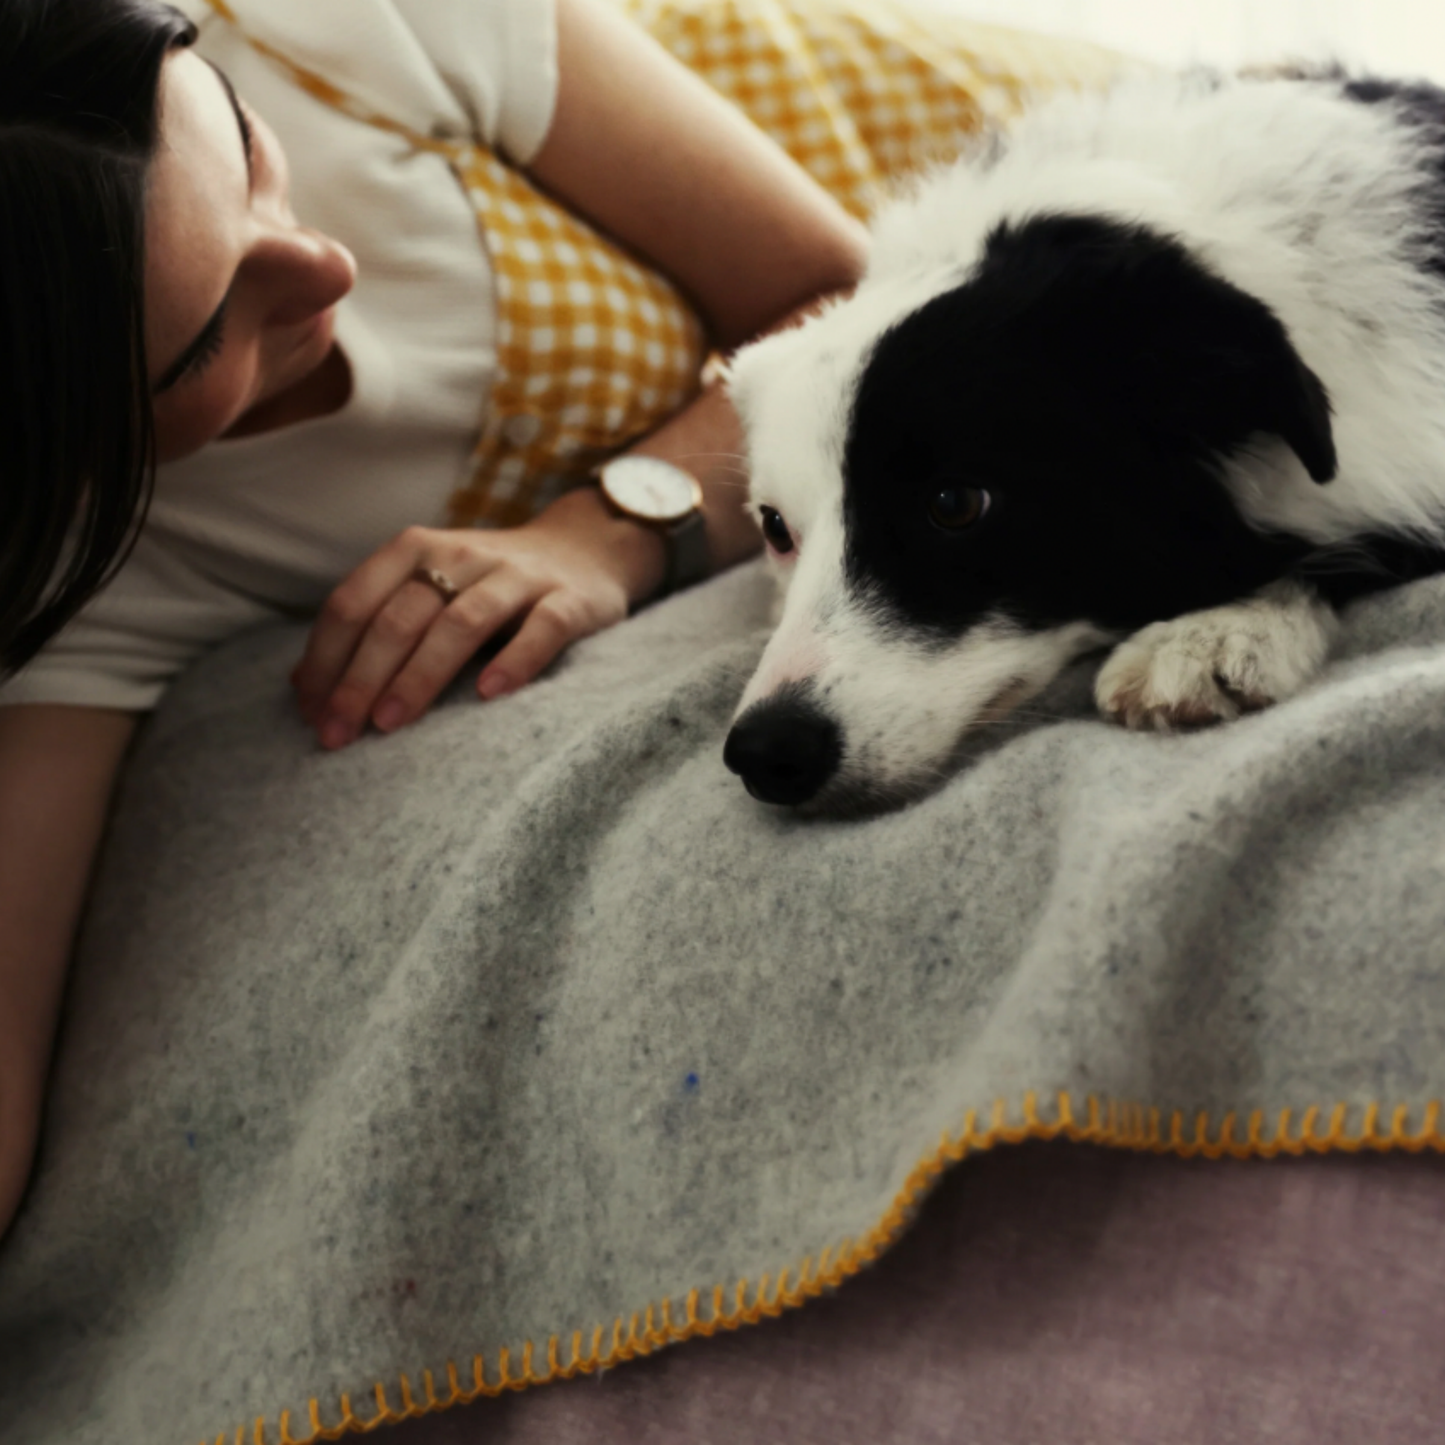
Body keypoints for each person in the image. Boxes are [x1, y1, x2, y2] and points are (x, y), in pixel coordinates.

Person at [0, 0, 1125, 1239]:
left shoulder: (322, 25)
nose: (324, 265)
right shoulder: (101, 571)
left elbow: (848, 291)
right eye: (214, 325)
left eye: (245, 149)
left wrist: (602, 532)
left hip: (972, 162)